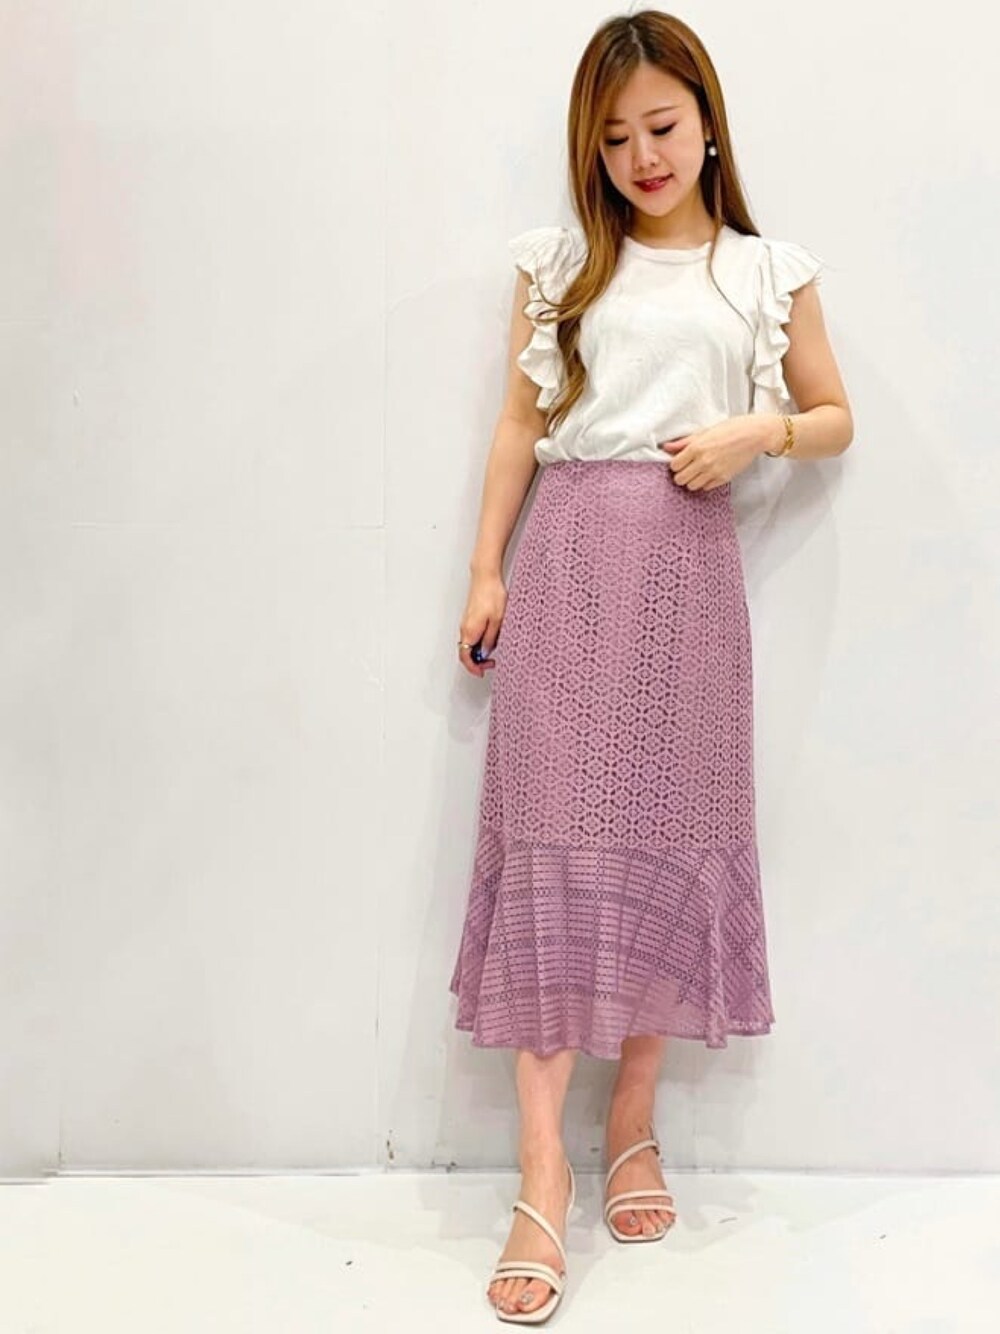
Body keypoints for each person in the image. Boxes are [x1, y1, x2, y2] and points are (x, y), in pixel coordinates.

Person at [449, 9, 854, 1323]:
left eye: (663, 127)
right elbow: (519, 422)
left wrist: (756, 434)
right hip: (570, 563)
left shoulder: (762, 271)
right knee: (558, 843)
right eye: (615, 137)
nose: (643, 156)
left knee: (665, 840)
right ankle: (542, 1167)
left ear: (709, 123)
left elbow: (835, 415)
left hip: (689, 575)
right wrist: (486, 569)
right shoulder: (562, 265)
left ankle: (632, 1117)